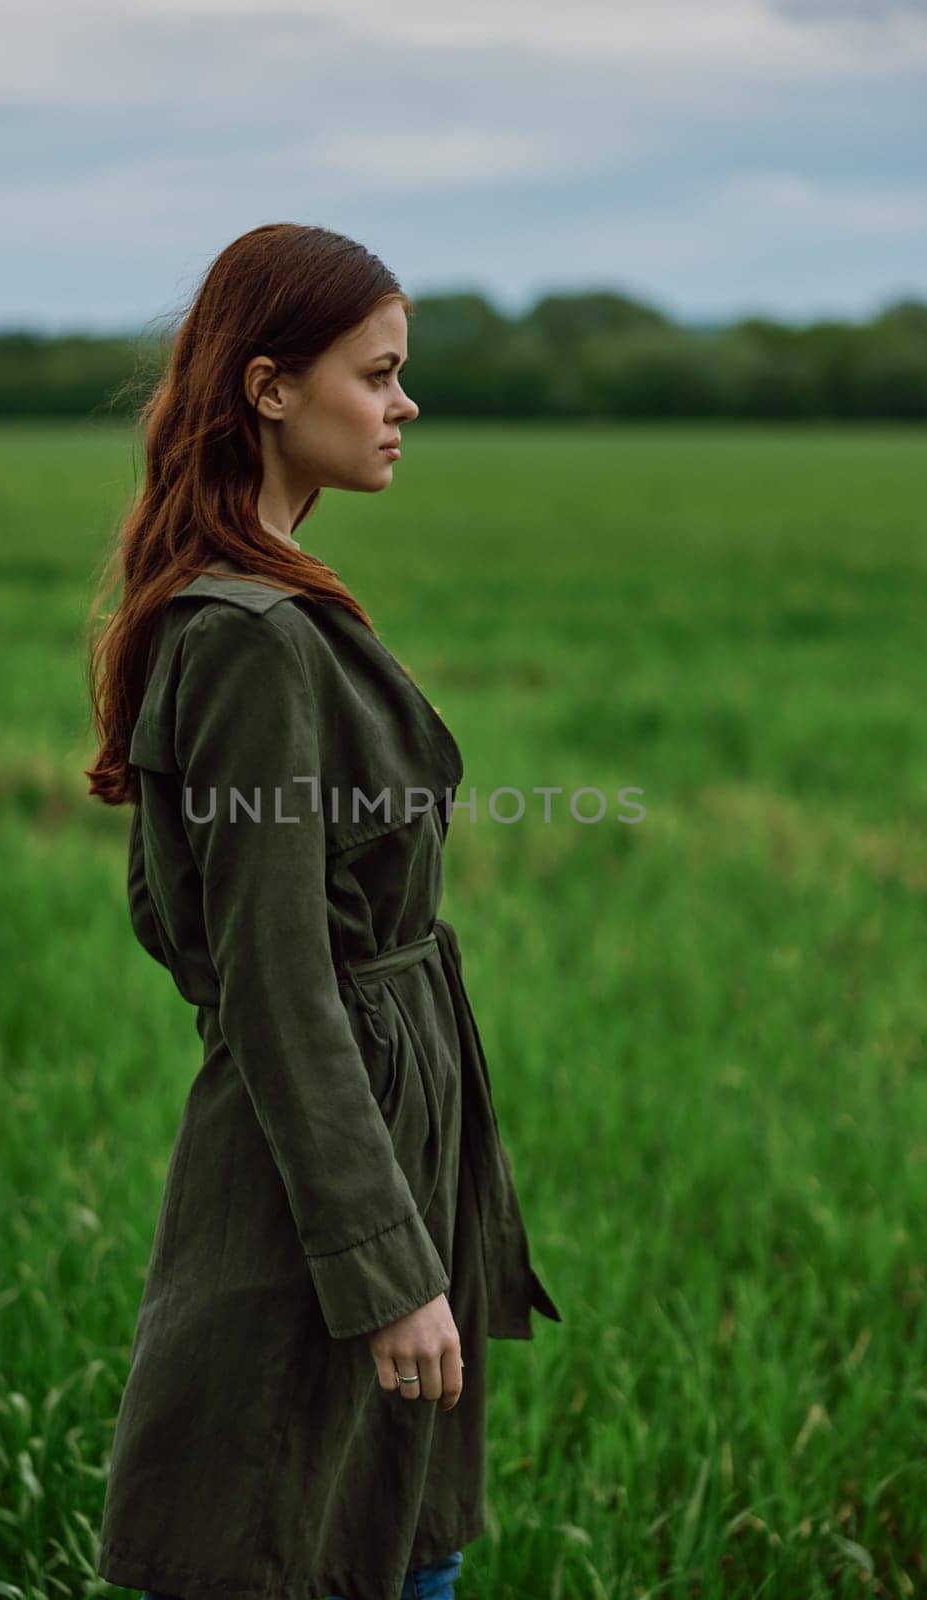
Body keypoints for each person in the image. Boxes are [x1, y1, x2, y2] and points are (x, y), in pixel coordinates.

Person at [84, 223, 561, 1600]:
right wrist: (385, 1268)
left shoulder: (273, 607)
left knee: (397, 1532)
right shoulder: (244, 637)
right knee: (284, 1541)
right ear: (272, 387)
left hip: (392, 1105)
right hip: (328, 1150)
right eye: (381, 372)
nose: (406, 404)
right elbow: (270, 977)